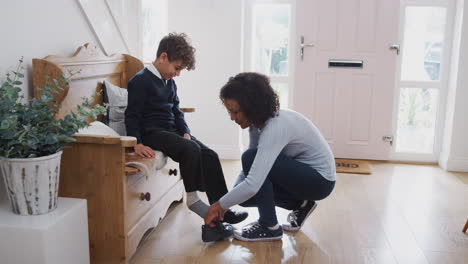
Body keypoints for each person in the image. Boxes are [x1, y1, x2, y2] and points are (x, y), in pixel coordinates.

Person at [125, 33, 247, 242]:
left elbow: (177, 110)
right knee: (191, 150)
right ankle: (193, 200)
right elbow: (132, 114)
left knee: (210, 154)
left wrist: (186, 131)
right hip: (152, 131)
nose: (178, 73)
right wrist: (137, 142)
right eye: (177, 68)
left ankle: (222, 208)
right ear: (163, 57)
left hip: (171, 130)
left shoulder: (169, 82)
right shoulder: (140, 81)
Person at [204, 72, 336, 242]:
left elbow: (252, 173)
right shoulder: (256, 124)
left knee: (249, 165)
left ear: (252, 107)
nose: (232, 118)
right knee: (244, 192)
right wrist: (233, 197)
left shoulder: (276, 127)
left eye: (235, 112)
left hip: (320, 181)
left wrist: (218, 206)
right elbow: (252, 171)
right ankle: (301, 204)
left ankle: (269, 226)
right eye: (229, 112)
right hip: (301, 177)